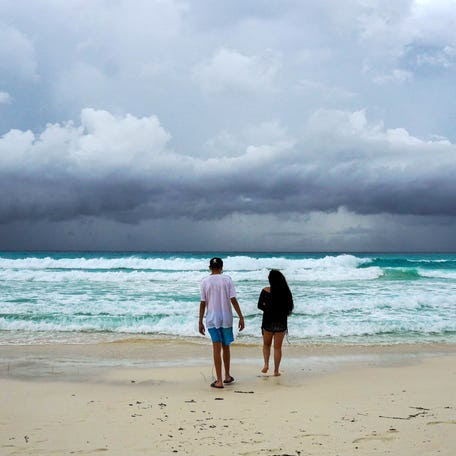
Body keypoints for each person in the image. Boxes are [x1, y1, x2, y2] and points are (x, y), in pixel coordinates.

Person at [199, 257, 245, 389]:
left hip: (212, 318)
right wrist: (241, 317)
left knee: (216, 348)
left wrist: (200, 321)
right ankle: (227, 376)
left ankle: (218, 381)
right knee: (226, 347)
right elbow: (233, 300)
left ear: (210, 268)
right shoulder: (227, 280)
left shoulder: (204, 281)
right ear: (221, 267)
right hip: (226, 318)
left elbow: (203, 303)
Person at [257, 269, 293, 376]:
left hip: (268, 321)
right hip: (281, 323)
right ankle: (276, 371)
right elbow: (289, 307)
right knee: (277, 348)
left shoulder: (265, 290)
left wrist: (268, 309)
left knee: (266, 345)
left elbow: (259, 306)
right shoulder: (285, 292)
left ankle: (266, 365)